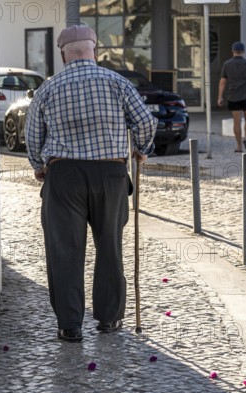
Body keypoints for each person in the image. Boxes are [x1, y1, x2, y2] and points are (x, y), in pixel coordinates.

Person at [25, 25, 157, 342]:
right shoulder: (118, 82)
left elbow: (32, 135)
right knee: (109, 247)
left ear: (62, 55)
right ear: (94, 50)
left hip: (64, 176)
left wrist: (40, 166)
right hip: (110, 176)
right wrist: (141, 148)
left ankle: (69, 325)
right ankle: (109, 319)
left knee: (64, 251)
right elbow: (146, 122)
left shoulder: (48, 88)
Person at [218, 41, 246, 152]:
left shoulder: (226, 64)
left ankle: (238, 147)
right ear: (243, 51)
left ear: (232, 51)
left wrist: (220, 97)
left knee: (236, 122)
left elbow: (222, 82)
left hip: (233, 96)